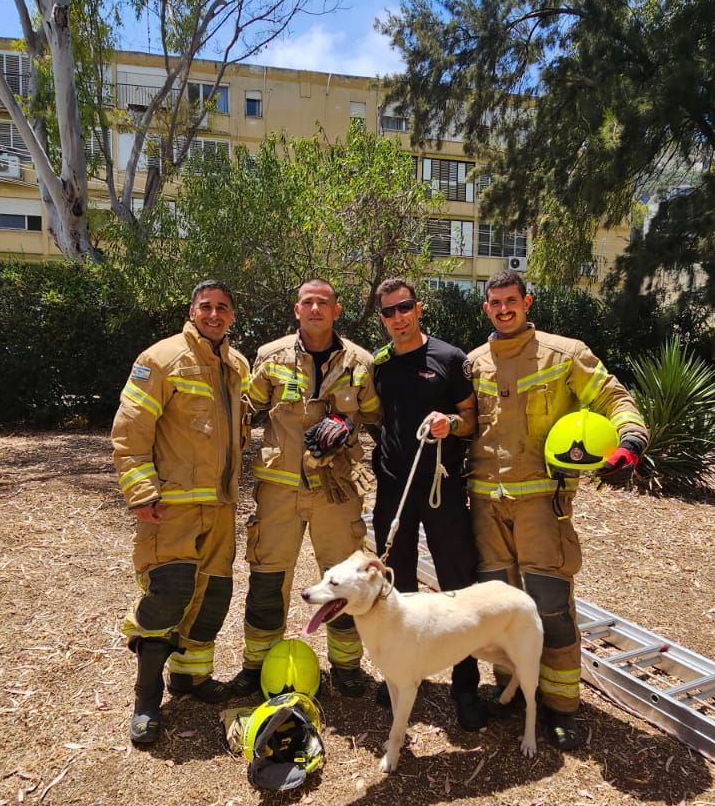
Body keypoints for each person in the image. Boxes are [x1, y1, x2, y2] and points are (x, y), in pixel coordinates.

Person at [467, 270, 648, 750]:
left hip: (543, 508)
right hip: (486, 507)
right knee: (498, 610)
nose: (504, 309)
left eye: (512, 301)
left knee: (551, 609)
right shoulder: (473, 364)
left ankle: (561, 707)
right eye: (495, 303)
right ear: (486, 308)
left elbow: (613, 397)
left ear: (527, 302)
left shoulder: (564, 354)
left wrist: (629, 441)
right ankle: (507, 692)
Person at [226, 277, 380, 700]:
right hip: (281, 490)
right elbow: (244, 410)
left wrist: (348, 425)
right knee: (267, 577)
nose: (315, 309)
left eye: (323, 303)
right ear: (297, 310)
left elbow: (375, 417)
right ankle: (257, 664)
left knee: (346, 581)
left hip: (337, 491)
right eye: (307, 303)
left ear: (337, 310)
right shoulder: (270, 357)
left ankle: (347, 667)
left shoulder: (361, 363)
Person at [111, 280, 250, 746]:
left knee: (212, 595)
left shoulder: (237, 365)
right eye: (206, 307)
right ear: (192, 310)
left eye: (223, 308)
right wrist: (142, 491)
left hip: (221, 506)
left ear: (232, 315)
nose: (214, 314)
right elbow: (130, 432)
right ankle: (147, 699)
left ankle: (190, 677)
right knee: (168, 594)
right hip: (171, 506)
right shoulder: (160, 359)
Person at [369, 276, 484, 731]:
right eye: (389, 312)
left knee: (458, 585)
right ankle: (401, 675)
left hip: (442, 488)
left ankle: (466, 685)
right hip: (394, 489)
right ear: (381, 319)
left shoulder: (450, 358)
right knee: (396, 589)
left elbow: (472, 419)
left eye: (405, 308)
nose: (398, 318)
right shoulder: (379, 365)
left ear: (419, 309)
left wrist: (450, 423)